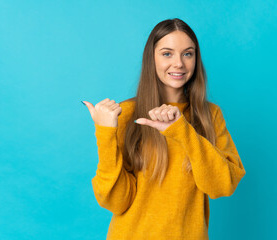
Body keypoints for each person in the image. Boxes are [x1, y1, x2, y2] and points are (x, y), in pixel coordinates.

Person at [82, 18, 246, 240]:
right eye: (167, 53)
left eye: (187, 54)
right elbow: (116, 201)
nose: (179, 63)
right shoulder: (125, 114)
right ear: (152, 58)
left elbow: (222, 186)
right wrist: (105, 133)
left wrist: (182, 130)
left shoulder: (210, 115)